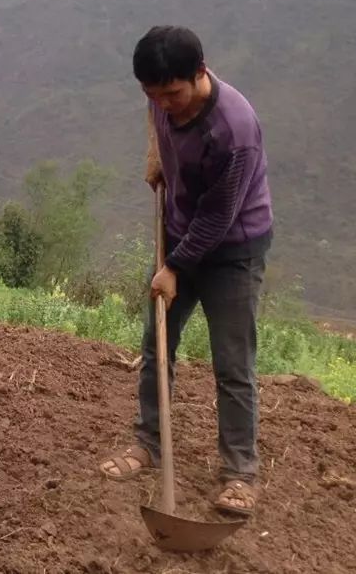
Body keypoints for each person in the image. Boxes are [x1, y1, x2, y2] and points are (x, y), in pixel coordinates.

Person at [98, 26, 273, 517]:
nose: (164, 103)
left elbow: (219, 218)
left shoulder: (235, 131)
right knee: (157, 344)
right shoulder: (162, 94)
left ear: (200, 73)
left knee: (232, 365)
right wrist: (156, 150)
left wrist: (174, 267)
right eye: (154, 94)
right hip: (180, 233)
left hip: (233, 250)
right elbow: (155, 114)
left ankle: (240, 472)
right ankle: (148, 444)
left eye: (172, 93)